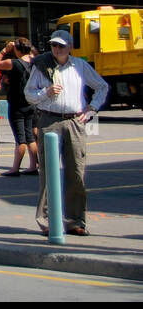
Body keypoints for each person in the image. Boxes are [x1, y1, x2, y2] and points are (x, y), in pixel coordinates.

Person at [25, 30, 109, 236]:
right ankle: (46, 221)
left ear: (70, 47)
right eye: (54, 45)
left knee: (76, 171)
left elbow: (102, 86)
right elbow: (28, 93)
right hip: (49, 119)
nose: (57, 49)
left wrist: (91, 109)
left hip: (74, 120)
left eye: (61, 46)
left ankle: (75, 220)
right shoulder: (42, 66)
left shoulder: (79, 65)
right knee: (47, 172)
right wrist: (45, 92)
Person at [0, 38, 38, 176]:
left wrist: (5, 50)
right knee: (30, 136)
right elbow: (35, 52)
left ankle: (15, 168)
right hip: (31, 103)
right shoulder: (34, 61)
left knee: (20, 138)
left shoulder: (13, 63)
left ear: (17, 49)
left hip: (17, 104)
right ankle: (33, 166)